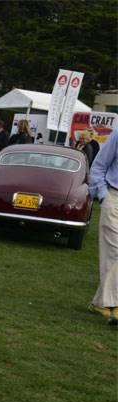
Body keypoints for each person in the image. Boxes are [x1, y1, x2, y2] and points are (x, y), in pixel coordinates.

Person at [87, 133, 118, 324]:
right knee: (114, 249)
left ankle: (100, 301)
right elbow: (98, 165)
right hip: (113, 197)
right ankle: (113, 305)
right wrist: (103, 195)